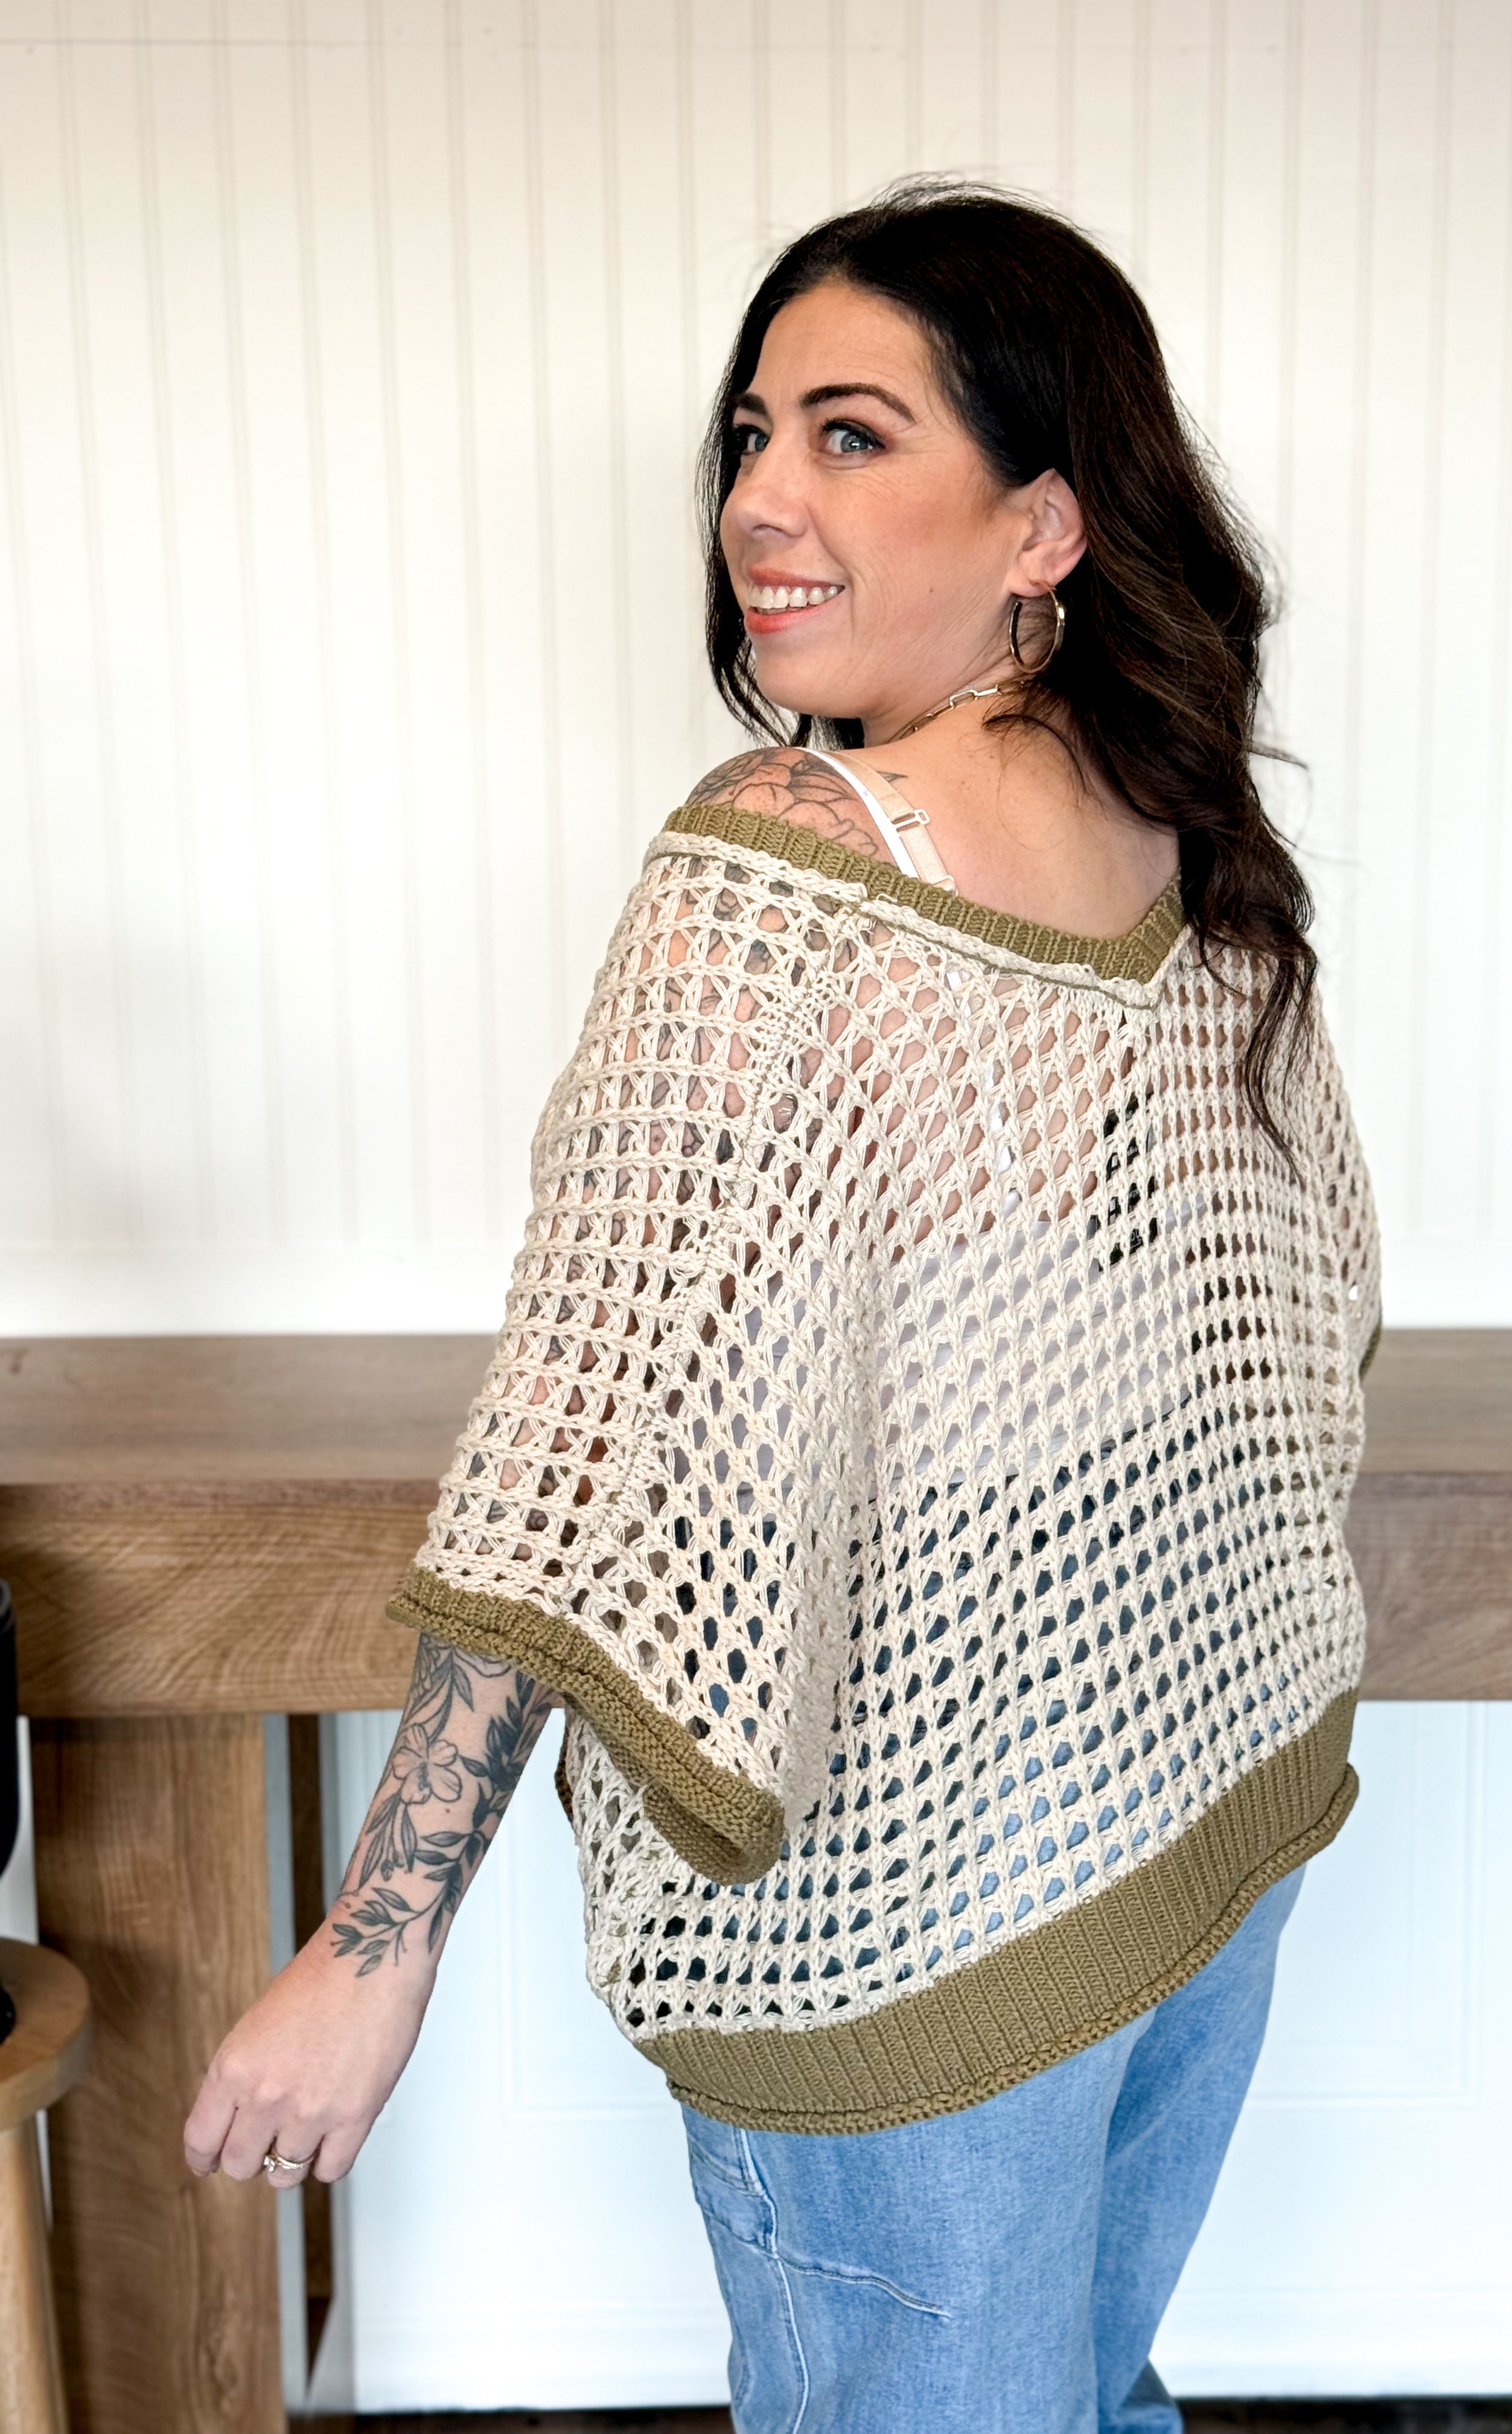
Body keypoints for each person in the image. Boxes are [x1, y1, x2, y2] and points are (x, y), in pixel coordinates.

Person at [184, 180, 1380, 2434]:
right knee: (1094, 2397)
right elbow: (1281, 1325)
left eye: (851, 434)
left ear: (1042, 525)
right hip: (1208, 1806)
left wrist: (371, 1947)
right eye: (754, 433)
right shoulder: (1180, 835)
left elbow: (582, 1444)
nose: (758, 499)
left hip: (917, 1911)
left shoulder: (786, 864)